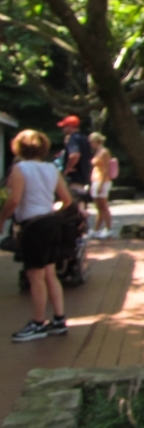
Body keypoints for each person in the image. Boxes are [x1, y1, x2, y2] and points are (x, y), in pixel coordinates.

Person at [0, 130, 73, 342]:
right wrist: (52, 212)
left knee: (35, 275)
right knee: (50, 272)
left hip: (32, 225)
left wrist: (2, 218)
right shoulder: (52, 169)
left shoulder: (19, 169)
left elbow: (14, 200)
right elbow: (67, 199)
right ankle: (59, 319)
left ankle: (38, 323)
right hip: (50, 221)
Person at [57, 116, 91, 202]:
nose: (63, 129)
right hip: (83, 175)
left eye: (64, 126)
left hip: (74, 177)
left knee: (74, 202)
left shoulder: (73, 138)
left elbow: (74, 155)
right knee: (81, 202)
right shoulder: (84, 138)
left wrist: (68, 168)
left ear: (70, 126)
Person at [88, 133, 113, 238]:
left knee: (104, 206)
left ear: (96, 141)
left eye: (91, 142)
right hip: (96, 180)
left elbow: (106, 169)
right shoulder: (97, 152)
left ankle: (108, 229)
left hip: (102, 181)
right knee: (98, 207)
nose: (90, 144)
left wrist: (101, 184)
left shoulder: (104, 152)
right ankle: (96, 229)